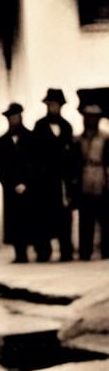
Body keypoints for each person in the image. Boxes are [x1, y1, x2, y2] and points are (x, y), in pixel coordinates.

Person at [32, 87, 76, 262]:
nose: (53, 108)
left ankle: (66, 251)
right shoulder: (39, 126)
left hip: (62, 180)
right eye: (50, 105)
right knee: (43, 216)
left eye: (56, 105)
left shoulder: (67, 127)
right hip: (44, 180)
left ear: (61, 106)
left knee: (64, 217)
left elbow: (71, 155)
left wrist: (71, 178)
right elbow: (33, 154)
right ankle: (43, 251)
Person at [0, 102, 37, 263]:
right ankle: (19, 253)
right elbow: (0, 169)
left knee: (29, 219)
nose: (13, 120)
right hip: (11, 188)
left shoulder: (31, 137)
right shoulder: (3, 141)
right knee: (14, 222)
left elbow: (36, 165)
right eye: (10, 118)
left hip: (29, 187)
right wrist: (12, 184)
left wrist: (26, 183)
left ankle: (30, 250)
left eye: (15, 117)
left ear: (21, 117)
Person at [76, 102, 109, 261]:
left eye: (93, 118)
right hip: (84, 180)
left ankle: (106, 250)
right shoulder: (78, 139)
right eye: (88, 117)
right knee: (85, 219)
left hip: (101, 179)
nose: (90, 120)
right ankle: (85, 251)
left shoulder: (105, 138)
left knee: (104, 218)